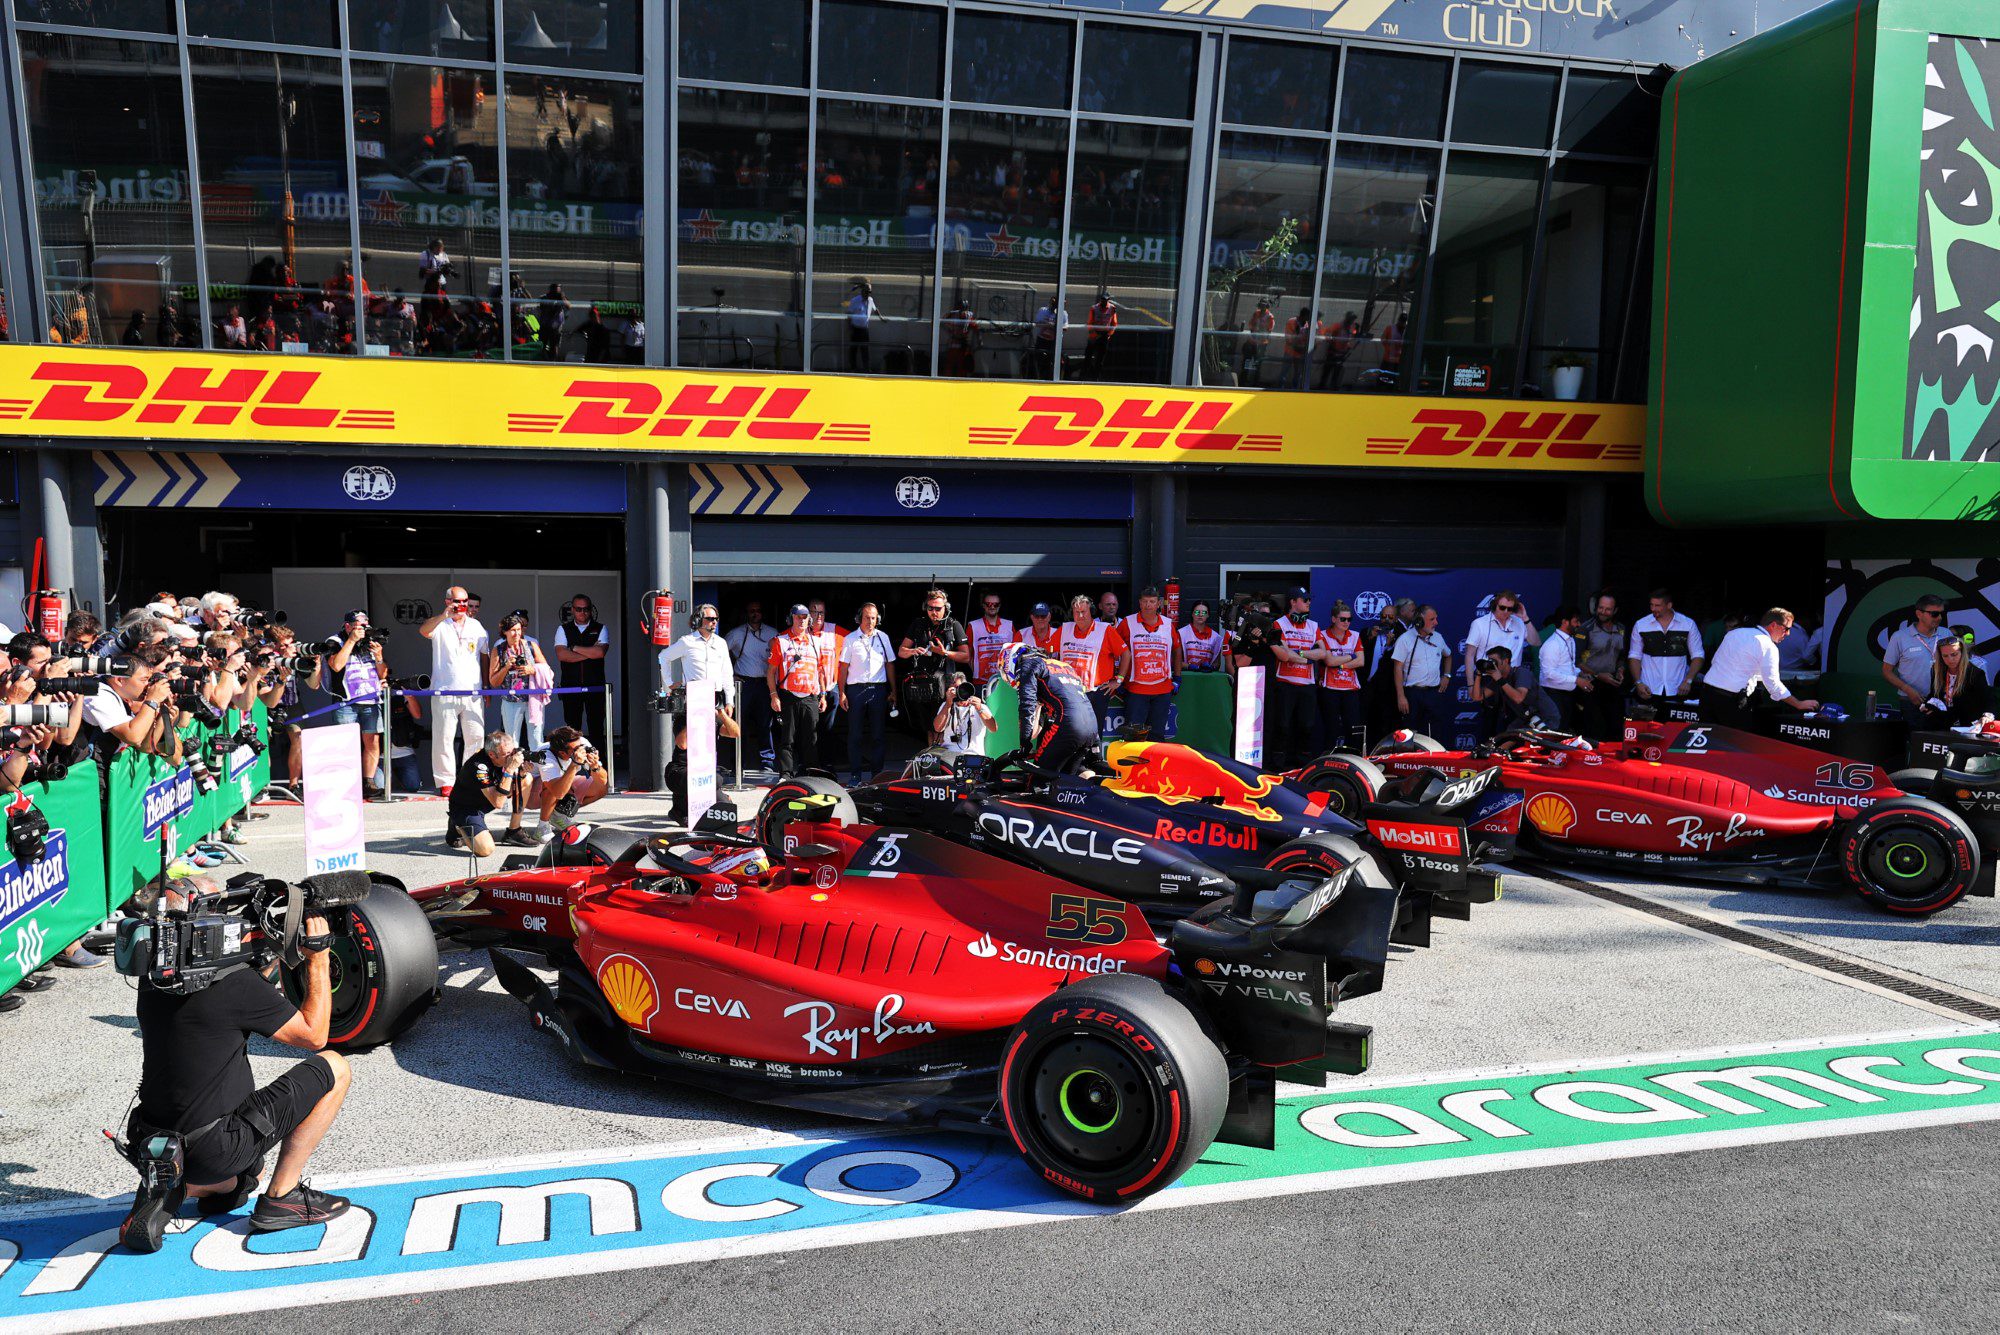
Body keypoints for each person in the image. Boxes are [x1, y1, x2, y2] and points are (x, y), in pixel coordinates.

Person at [121, 873, 353, 1246]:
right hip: (215, 1146)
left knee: (245, 1179)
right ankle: (284, 1198)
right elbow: (314, 1035)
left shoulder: (154, 977)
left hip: (151, 1140)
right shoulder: (234, 986)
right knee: (335, 1067)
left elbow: (238, 996)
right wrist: (319, 958)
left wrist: (270, 952)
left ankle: (177, 1186)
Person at [420, 585, 489, 794]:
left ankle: (471, 778)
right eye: (457, 601)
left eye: (464, 601)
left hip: (473, 691)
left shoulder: (477, 625)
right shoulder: (440, 624)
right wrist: (443, 615)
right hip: (444, 690)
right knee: (443, 738)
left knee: (475, 737)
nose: (461, 606)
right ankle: (446, 782)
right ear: (447, 601)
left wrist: (486, 686)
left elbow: (484, 656)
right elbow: (423, 631)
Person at [998, 642, 1097, 773]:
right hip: (1092, 726)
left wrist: (1024, 745)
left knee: (1038, 776)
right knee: (1070, 780)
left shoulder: (1029, 664)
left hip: (1069, 724)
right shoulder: (1063, 666)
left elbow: (1027, 706)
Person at [320, 611, 388, 800]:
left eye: (365, 626)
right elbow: (336, 666)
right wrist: (351, 640)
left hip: (371, 699)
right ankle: (345, 783)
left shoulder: (370, 640)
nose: (363, 631)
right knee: (345, 744)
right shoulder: (335, 641)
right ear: (348, 626)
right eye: (359, 626)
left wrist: (379, 657)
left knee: (372, 742)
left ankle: (368, 781)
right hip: (346, 700)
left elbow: (383, 675)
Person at [897, 589, 970, 743]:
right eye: (930, 608)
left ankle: (942, 761)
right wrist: (913, 651)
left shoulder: (953, 625)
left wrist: (944, 652)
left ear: (946, 608)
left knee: (944, 727)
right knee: (929, 728)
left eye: (938, 608)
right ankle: (931, 761)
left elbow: (966, 656)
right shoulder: (918, 624)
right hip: (924, 684)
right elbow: (901, 652)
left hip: (945, 683)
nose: (934, 612)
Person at [768, 604, 828, 775]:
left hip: (810, 696)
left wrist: (823, 695)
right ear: (791, 618)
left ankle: (811, 773)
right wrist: (774, 695)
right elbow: (771, 672)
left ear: (809, 619)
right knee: (787, 738)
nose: (801, 621)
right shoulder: (781, 641)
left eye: (804, 617)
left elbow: (821, 671)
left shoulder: (816, 642)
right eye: (798, 617)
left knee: (811, 738)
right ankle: (786, 774)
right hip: (788, 695)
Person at [446, 728, 527, 854]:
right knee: (485, 850)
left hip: (486, 800)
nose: (512, 757)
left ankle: (514, 830)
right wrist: (510, 770)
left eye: (513, 752)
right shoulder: (479, 767)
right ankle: (457, 826)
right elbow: (498, 803)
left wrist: (522, 774)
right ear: (492, 755)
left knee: (527, 779)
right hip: (467, 807)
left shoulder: (502, 759)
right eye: (507, 754)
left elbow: (507, 792)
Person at [839, 603, 895, 784]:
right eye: (867, 617)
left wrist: (894, 690)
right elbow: (843, 668)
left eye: (873, 618)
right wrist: (842, 692)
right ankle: (855, 775)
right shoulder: (850, 639)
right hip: (856, 690)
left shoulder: (883, 637)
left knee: (878, 735)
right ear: (859, 618)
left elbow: (890, 664)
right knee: (855, 735)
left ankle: (877, 775)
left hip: (878, 689)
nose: (870, 621)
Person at [1057, 594, 1127, 733]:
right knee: (1071, 733)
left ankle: (1094, 755)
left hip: (1097, 692)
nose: (1080, 615)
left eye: (1084, 611)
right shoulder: (1065, 629)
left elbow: (1126, 653)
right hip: (1071, 691)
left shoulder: (1105, 630)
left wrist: (1119, 680)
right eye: (1077, 612)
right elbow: (1047, 650)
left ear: (1092, 612)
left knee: (1094, 734)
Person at [1118, 586, 1181, 740]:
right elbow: (1114, 648)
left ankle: (1153, 765)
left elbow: (1177, 649)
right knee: (1133, 737)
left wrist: (1178, 677)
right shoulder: (1128, 622)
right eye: (1145, 601)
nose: (1148, 605)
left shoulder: (1168, 624)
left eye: (1152, 601)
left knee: (1157, 736)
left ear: (1158, 603)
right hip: (1136, 690)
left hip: (1162, 690)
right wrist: (1118, 677)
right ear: (1140, 603)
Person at [1268, 589, 1320, 771]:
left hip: (1307, 685)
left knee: (1306, 725)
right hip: (1285, 683)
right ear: (1293, 602)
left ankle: (1302, 765)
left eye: (1309, 599)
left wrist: (1298, 653)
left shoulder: (1313, 625)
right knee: (1282, 725)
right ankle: (1278, 766)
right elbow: (1283, 655)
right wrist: (1308, 658)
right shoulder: (1278, 624)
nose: (1308, 602)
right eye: (1304, 599)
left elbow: (1322, 653)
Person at [1882, 594, 1955, 724]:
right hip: (1912, 700)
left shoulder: (1946, 634)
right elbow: (1887, 671)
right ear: (1919, 614)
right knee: (1915, 740)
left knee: (1940, 741)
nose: (1939, 618)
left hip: (1942, 700)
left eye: (1941, 613)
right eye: (1934, 614)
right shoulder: (1900, 637)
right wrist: (1908, 690)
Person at [1628, 588, 1704, 710]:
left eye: (1657, 605)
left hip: (1678, 689)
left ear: (1669, 605)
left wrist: (1688, 681)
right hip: (1648, 689)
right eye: (1651, 605)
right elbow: (1634, 656)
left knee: (1675, 728)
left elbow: (1698, 655)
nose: (1653, 609)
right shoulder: (1641, 625)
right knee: (1647, 728)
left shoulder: (1688, 624)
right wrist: (1638, 683)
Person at [552, 594, 609, 750]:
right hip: (570, 686)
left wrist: (574, 648)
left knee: (596, 729)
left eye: (586, 609)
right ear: (572, 610)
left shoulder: (600, 628)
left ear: (591, 610)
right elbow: (562, 655)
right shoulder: (563, 629)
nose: (582, 612)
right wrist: (589, 652)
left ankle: (598, 766)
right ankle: (573, 766)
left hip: (595, 687)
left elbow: (600, 653)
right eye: (578, 609)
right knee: (571, 730)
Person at [532, 725, 610, 839]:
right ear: (562, 753)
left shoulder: (581, 742)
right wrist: (574, 764)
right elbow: (558, 792)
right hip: (532, 793)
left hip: (562, 782)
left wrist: (595, 767)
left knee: (601, 788)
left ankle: (558, 816)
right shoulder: (546, 756)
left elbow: (603, 781)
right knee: (552, 785)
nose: (581, 750)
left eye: (581, 746)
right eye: (575, 749)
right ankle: (542, 827)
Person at [727, 602, 779, 772]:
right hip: (744, 684)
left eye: (758, 611)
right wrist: (729, 674)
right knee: (738, 724)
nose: (755, 614)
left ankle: (768, 764)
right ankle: (737, 764)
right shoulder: (736, 634)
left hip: (765, 684)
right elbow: (720, 653)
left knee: (766, 724)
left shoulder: (772, 633)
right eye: (752, 611)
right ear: (746, 613)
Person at [1393, 604, 1456, 741]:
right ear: (1419, 621)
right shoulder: (1405, 639)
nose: (1436, 623)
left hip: (1434, 693)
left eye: (1436, 619)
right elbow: (1397, 668)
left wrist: (1447, 675)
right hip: (1412, 694)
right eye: (1432, 619)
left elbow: (1448, 655)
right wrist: (1401, 696)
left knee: (1436, 732)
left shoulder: (1438, 637)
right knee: (1410, 734)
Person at [1463, 591, 1542, 698]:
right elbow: (1469, 655)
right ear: (1494, 605)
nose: (1506, 611)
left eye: (1510, 609)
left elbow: (1536, 642)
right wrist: (1470, 684)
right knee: (1491, 712)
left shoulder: (1519, 622)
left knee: (1516, 713)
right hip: (1489, 677)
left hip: (1513, 678)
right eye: (1502, 607)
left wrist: (1525, 619)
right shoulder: (1479, 624)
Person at [1316, 601, 1366, 752]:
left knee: (1353, 726)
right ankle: (1328, 759)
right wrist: (1351, 656)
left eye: (1349, 619)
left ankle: (1353, 758)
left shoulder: (1355, 635)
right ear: (1334, 619)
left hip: (1350, 688)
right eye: (1343, 619)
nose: (1346, 623)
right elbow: (1329, 660)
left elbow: (1361, 661)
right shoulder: (1323, 635)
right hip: (1329, 688)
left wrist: (1341, 665)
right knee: (1331, 727)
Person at [1578, 591, 1628, 741]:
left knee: (1615, 728)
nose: (1603, 612)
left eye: (1607, 609)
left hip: (1612, 684)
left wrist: (1620, 669)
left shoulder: (1621, 629)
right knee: (1594, 729)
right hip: (1590, 684)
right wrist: (1597, 675)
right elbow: (1575, 661)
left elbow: (1621, 656)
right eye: (1600, 608)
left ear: (1615, 611)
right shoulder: (1585, 628)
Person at [1920, 635, 1994, 727]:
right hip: (1943, 723)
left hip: (1968, 725)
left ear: (1962, 653)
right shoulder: (1937, 671)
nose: (1950, 659)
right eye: (1945, 656)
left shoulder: (1975, 673)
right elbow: (1934, 694)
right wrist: (1927, 705)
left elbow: (1987, 698)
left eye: (1954, 654)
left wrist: (1987, 715)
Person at [1537, 606, 1585, 734]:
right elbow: (1549, 674)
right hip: (1553, 695)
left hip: (1567, 694)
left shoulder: (1571, 641)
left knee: (1564, 731)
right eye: (1576, 621)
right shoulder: (1552, 644)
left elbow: (1568, 667)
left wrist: (1581, 674)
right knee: (1554, 732)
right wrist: (1576, 679)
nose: (1578, 624)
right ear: (1565, 622)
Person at [808, 600, 845, 757]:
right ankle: (809, 762)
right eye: (814, 612)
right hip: (808, 690)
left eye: (821, 612)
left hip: (831, 687)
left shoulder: (834, 630)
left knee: (828, 729)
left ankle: (826, 762)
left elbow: (859, 639)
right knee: (809, 729)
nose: (818, 616)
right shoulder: (800, 629)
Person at [1473, 647, 1538, 736]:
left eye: (1494, 661)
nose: (1492, 664)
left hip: (1542, 718)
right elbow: (1477, 697)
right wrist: (1478, 675)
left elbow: (1518, 698)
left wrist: (1499, 679)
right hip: (1523, 719)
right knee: (1501, 744)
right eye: (1489, 661)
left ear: (1506, 661)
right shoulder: (1498, 678)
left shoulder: (1522, 673)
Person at [935, 671, 995, 752]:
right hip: (949, 756)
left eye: (960, 687)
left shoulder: (979, 706)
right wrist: (948, 704)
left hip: (973, 754)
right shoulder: (946, 706)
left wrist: (979, 708)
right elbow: (938, 728)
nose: (959, 691)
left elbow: (993, 728)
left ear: (966, 687)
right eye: (955, 689)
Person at [968, 592, 1017, 690]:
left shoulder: (1009, 625)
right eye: (988, 604)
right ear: (983, 605)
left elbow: (1015, 652)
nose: (992, 607)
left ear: (1000, 606)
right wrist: (976, 671)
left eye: (996, 604)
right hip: (980, 682)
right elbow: (968, 655)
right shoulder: (973, 626)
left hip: (1005, 680)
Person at [1179, 601, 1227, 673]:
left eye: (1204, 613)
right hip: (1187, 675)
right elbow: (1175, 661)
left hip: (1207, 677)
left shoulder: (1216, 637)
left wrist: (1212, 667)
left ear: (1208, 615)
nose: (1200, 615)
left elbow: (1217, 663)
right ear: (1192, 614)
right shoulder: (1181, 633)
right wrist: (1189, 666)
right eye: (1197, 612)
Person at [1083, 292, 1117, 379]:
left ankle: (1096, 377)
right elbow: (1090, 322)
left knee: (1100, 359)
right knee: (1088, 356)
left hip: (1104, 335)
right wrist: (1093, 334)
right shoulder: (1094, 308)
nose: (1104, 302)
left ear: (1108, 300)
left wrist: (1109, 334)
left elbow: (1114, 323)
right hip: (1094, 334)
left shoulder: (1112, 308)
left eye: (1106, 300)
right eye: (1102, 300)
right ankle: (1086, 375)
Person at [846, 278, 877, 372]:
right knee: (853, 349)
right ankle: (853, 368)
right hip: (855, 329)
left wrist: (881, 317)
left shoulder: (870, 300)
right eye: (867, 291)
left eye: (870, 292)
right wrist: (849, 328)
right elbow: (849, 314)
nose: (868, 294)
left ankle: (866, 368)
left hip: (864, 329)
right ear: (863, 291)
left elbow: (875, 309)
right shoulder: (855, 300)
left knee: (865, 350)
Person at [1029, 293, 1063, 378]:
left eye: (1055, 305)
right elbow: (1037, 323)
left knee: (1050, 361)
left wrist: (1054, 326)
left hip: (1053, 341)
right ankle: (1035, 377)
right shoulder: (1043, 310)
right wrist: (1047, 324)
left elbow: (1064, 327)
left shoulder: (1061, 313)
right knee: (1038, 359)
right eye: (1052, 304)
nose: (1053, 306)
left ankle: (1047, 377)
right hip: (1042, 339)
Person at [943, 296, 978, 377]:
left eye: (965, 309)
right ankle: (946, 378)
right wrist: (949, 330)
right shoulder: (952, 314)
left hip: (963, 343)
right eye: (962, 308)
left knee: (962, 363)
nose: (964, 311)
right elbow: (943, 320)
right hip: (953, 342)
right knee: (950, 362)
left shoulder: (969, 315)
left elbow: (975, 327)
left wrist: (979, 339)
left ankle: (960, 378)